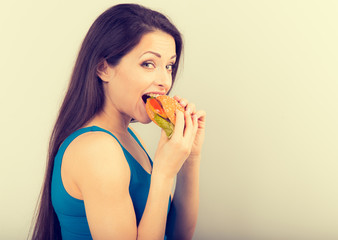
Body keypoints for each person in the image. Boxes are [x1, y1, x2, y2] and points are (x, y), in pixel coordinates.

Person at [31, 3, 206, 240]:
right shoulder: (96, 149)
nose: (165, 80)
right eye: (148, 64)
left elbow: (177, 235)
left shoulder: (126, 137)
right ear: (103, 68)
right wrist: (163, 174)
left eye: (169, 66)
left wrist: (190, 158)